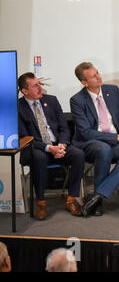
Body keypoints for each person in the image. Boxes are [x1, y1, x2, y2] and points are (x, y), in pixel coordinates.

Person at [70, 62, 119, 217]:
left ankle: (97, 196)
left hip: (116, 140)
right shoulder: (77, 100)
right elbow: (86, 132)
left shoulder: (112, 90)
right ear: (84, 82)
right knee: (103, 149)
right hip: (91, 143)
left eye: (98, 73)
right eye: (94, 76)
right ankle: (98, 202)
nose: (99, 77)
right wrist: (116, 137)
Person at [18, 72, 84, 220]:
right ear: (25, 91)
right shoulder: (18, 108)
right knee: (39, 157)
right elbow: (25, 138)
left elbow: (64, 128)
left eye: (39, 83)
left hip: (58, 144)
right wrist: (49, 148)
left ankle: (72, 199)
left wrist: (62, 145)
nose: (40, 87)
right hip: (36, 148)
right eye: (35, 85)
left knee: (78, 154)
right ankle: (40, 202)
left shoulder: (51, 100)